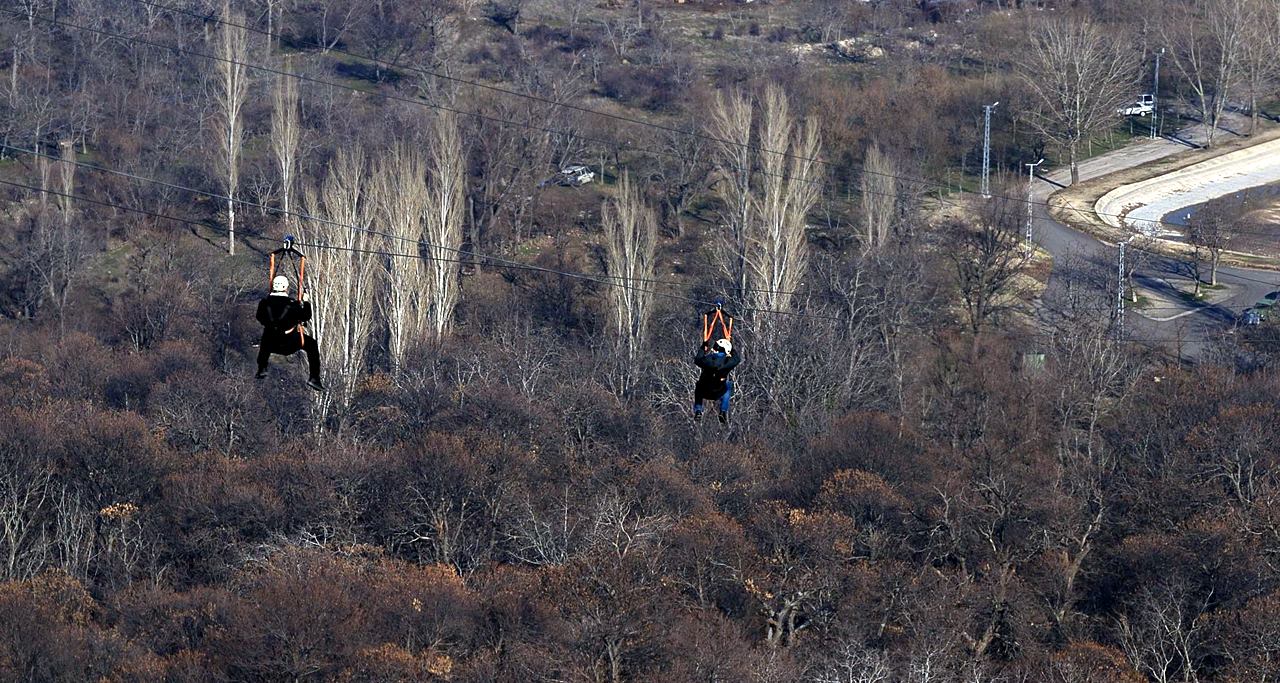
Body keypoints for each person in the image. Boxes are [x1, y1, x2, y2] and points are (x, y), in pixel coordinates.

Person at [256, 275, 324, 391]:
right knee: (311, 345)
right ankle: (314, 377)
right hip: (289, 343)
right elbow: (306, 316)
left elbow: (259, 317)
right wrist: (306, 302)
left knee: (266, 337)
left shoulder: (264, 303)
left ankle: (262, 367)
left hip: (271, 344)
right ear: (285, 288)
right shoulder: (293, 304)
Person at [693, 337, 740, 424]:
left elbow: (697, 360)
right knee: (729, 385)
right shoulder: (728, 362)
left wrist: (703, 348)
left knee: (698, 386)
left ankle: (698, 410)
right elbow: (737, 359)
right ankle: (723, 411)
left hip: (705, 391)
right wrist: (732, 349)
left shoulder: (707, 360)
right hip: (719, 392)